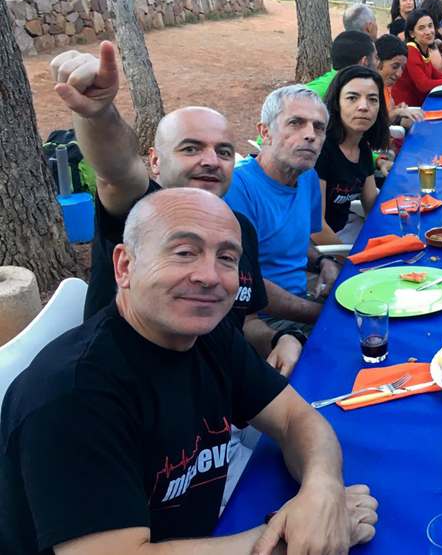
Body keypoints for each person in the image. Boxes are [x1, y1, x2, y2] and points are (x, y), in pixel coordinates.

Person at [0, 187, 378, 554]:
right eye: (184, 253)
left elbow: (295, 418)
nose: (209, 276)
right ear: (125, 266)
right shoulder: (73, 396)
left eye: (227, 258)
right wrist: (293, 539)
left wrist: (323, 492)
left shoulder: (208, 335)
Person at [48, 42, 304, 376]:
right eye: (191, 148)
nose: (211, 161)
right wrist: (98, 113)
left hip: (218, 387)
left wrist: (280, 338)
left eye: (224, 152)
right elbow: (116, 171)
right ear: (155, 161)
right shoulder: (141, 211)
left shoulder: (237, 229)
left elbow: (245, 321)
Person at [225, 85, 337, 335]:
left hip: (303, 300)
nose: (310, 135)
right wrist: (321, 314)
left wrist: (323, 261)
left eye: (319, 127)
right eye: (296, 123)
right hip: (262, 321)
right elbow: (241, 280)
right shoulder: (237, 188)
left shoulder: (307, 177)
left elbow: (297, 241)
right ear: (265, 132)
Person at [315, 66, 390, 245]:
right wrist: (349, 257)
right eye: (352, 98)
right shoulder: (320, 151)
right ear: (336, 103)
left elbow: (371, 205)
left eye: (372, 99)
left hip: (345, 231)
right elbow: (316, 228)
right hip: (318, 248)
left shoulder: (362, 147)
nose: (363, 107)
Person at [391, 8, 442, 107]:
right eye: (421, 28)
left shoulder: (423, 47)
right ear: (412, 33)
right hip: (405, 108)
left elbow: (434, 73)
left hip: (419, 103)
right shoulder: (411, 51)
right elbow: (424, 85)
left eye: (430, 26)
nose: (428, 32)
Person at [306, 31, 377, 99]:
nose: (378, 63)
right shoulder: (312, 95)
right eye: (376, 57)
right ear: (364, 61)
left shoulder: (317, 90)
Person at [376, 33, 424, 129]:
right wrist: (396, 112)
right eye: (395, 66)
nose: (399, 74)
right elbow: (373, 126)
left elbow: (387, 116)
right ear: (378, 62)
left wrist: (398, 112)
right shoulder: (369, 90)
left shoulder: (386, 87)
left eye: (403, 68)